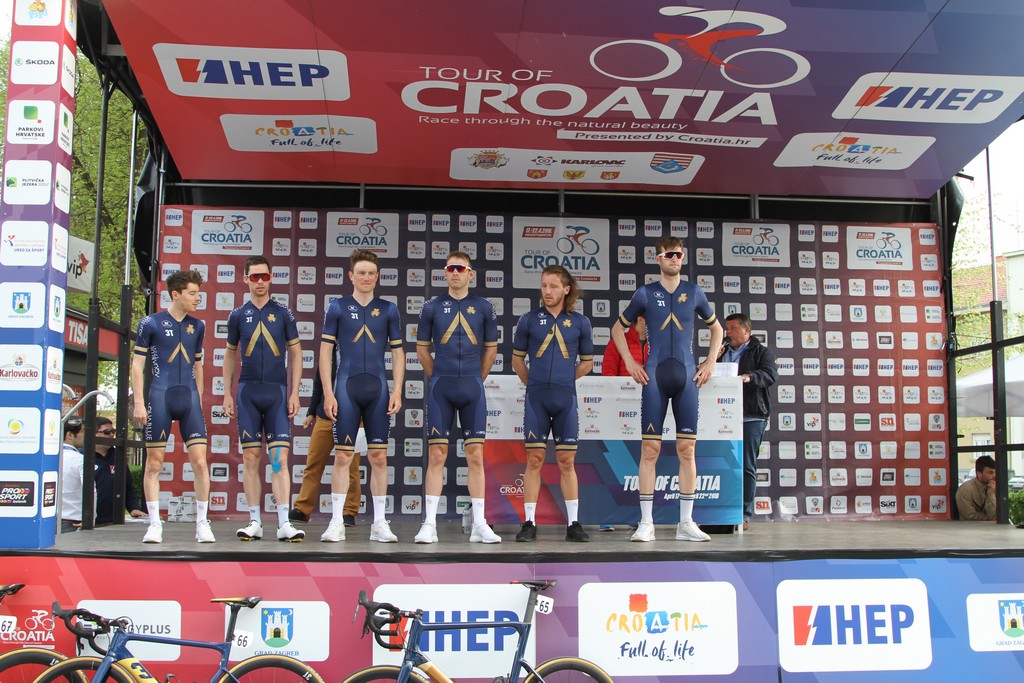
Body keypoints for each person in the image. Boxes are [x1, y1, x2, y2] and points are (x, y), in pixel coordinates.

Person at [610, 236, 723, 542]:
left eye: (679, 255)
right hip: (655, 378)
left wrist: (710, 362)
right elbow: (617, 329)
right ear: (657, 258)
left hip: (686, 377)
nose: (675, 259)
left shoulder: (694, 291)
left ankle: (686, 522)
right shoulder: (645, 294)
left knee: (687, 449)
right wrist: (630, 362)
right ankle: (646, 522)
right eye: (669, 254)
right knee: (650, 449)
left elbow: (717, 329)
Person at [319, 249, 405, 543]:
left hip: (378, 390)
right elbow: (325, 351)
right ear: (351, 276)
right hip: (346, 389)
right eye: (361, 273)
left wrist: (398, 389)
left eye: (371, 273)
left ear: (377, 277)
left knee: (379, 457)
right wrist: (328, 392)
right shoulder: (337, 307)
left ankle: (379, 523)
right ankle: (336, 522)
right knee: (343, 455)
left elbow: (398, 352)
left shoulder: (389, 309)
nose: (366, 278)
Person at [414, 251, 501, 544]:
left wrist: (476, 379)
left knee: (475, 455)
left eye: (460, 269)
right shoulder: (431, 307)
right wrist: (439, 377)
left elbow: (491, 350)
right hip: (442, 388)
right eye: (450, 268)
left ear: (470, 273)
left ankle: (480, 524)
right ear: (445, 272)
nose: (455, 273)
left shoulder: (485, 307)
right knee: (437, 454)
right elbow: (422, 350)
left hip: (472, 388)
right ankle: (429, 524)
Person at [223, 256, 305, 542]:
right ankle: (255, 521)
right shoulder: (237, 315)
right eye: (255, 277)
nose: (260, 282)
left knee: (279, 458)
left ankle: (284, 523)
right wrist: (226, 393)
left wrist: (295, 392)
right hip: (248, 393)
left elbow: (296, 353)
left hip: (276, 393)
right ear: (245, 278)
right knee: (250, 457)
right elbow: (229, 355)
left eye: (265, 276)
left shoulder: (283, 313)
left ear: (271, 278)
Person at [511, 265, 594, 542]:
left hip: (565, 399)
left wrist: (563, 381)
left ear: (566, 289)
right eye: (544, 285)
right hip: (536, 399)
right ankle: (529, 522)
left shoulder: (580, 322)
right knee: (534, 459)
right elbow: (517, 361)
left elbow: (587, 363)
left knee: (566, 461)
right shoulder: (528, 320)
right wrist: (534, 384)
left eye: (553, 286)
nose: (547, 291)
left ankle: (573, 523)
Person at [132, 269, 214, 544]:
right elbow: (137, 365)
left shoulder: (198, 325)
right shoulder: (150, 323)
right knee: (154, 464)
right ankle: (155, 524)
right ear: (176, 294)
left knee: (200, 463)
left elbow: (198, 364)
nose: (198, 298)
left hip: (188, 399)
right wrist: (139, 403)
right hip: (160, 397)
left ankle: (202, 523)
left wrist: (198, 398)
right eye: (193, 293)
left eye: (198, 293)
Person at [719, 313, 777, 531]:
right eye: (727, 328)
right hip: (722, 416)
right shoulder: (721, 351)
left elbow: (770, 375)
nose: (728, 332)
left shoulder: (762, 352)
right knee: (722, 465)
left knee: (746, 466)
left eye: (733, 328)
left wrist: (748, 377)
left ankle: (743, 514)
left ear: (746, 330)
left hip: (751, 416)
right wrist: (712, 359)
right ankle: (721, 511)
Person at [290, 356, 364, 527]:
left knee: (352, 468)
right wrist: (311, 412)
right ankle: (302, 509)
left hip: (353, 418)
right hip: (324, 417)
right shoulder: (327, 355)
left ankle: (349, 512)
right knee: (313, 465)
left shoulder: (359, 353)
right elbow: (318, 385)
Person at [599, 315, 647, 531]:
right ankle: (607, 515)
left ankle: (632, 514)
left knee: (637, 464)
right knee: (613, 461)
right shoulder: (619, 341)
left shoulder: (657, 342)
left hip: (647, 409)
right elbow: (608, 374)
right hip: (618, 412)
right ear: (640, 319)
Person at [92, 417, 146, 525]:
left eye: (113, 431)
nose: (111, 435)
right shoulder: (82, 456)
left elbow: (128, 487)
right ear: (94, 434)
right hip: (88, 521)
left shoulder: (118, 456)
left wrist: (133, 508)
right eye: (107, 432)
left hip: (114, 521)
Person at [61, 417, 91, 533]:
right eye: (83, 431)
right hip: (73, 523)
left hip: (48, 521)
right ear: (70, 435)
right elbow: (90, 491)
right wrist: (90, 520)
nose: (86, 435)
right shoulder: (80, 460)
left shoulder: (47, 458)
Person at [956, 455, 997, 521]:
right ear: (979, 474)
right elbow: (969, 516)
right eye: (990, 473)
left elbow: (996, 514)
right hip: (971, 526)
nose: (994, 476)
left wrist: (991, 495)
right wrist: (989, 518)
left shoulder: (997, 487)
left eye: (995, 472)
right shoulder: (965, 489)